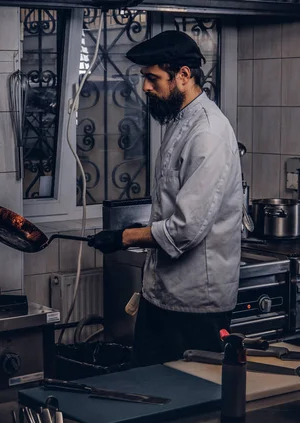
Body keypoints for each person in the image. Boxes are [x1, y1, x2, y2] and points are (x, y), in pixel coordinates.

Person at [88, 30, 243, 366]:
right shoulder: (180, 122)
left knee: (192, 406)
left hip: (196, 307)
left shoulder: (209, 132)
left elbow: (185, 229)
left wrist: (124, 237)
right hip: (161, 296)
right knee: (148, 390)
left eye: (152, 77)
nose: (145, 87)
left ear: (183, 75)